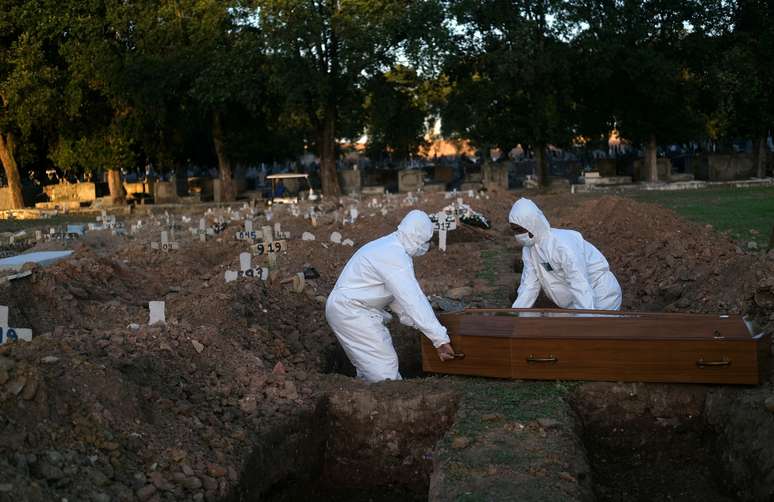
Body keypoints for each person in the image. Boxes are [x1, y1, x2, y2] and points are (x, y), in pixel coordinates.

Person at [326, 210, 456, 382]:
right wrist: (439, 339)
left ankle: (366, 400)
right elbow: (412, 300)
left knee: (370, 368)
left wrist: (426, 328)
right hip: (351, 312)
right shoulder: (394, 255)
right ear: (417, 236)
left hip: (351, 310)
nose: (425, 246)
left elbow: (400, 304)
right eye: (425, 241)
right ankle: (389, 403)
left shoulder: (391, 249)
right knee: (384, 370)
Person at [509, 198, 622, 310]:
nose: (517, 235)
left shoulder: (562, 245)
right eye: (514, 231)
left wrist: (587, 316)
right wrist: (517, 313)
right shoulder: (529, 250)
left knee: (597, 327)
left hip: (601, 295)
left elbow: (579, 282)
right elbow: (529, 285)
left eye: (519, 230)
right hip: (575, 302)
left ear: (531, 224)